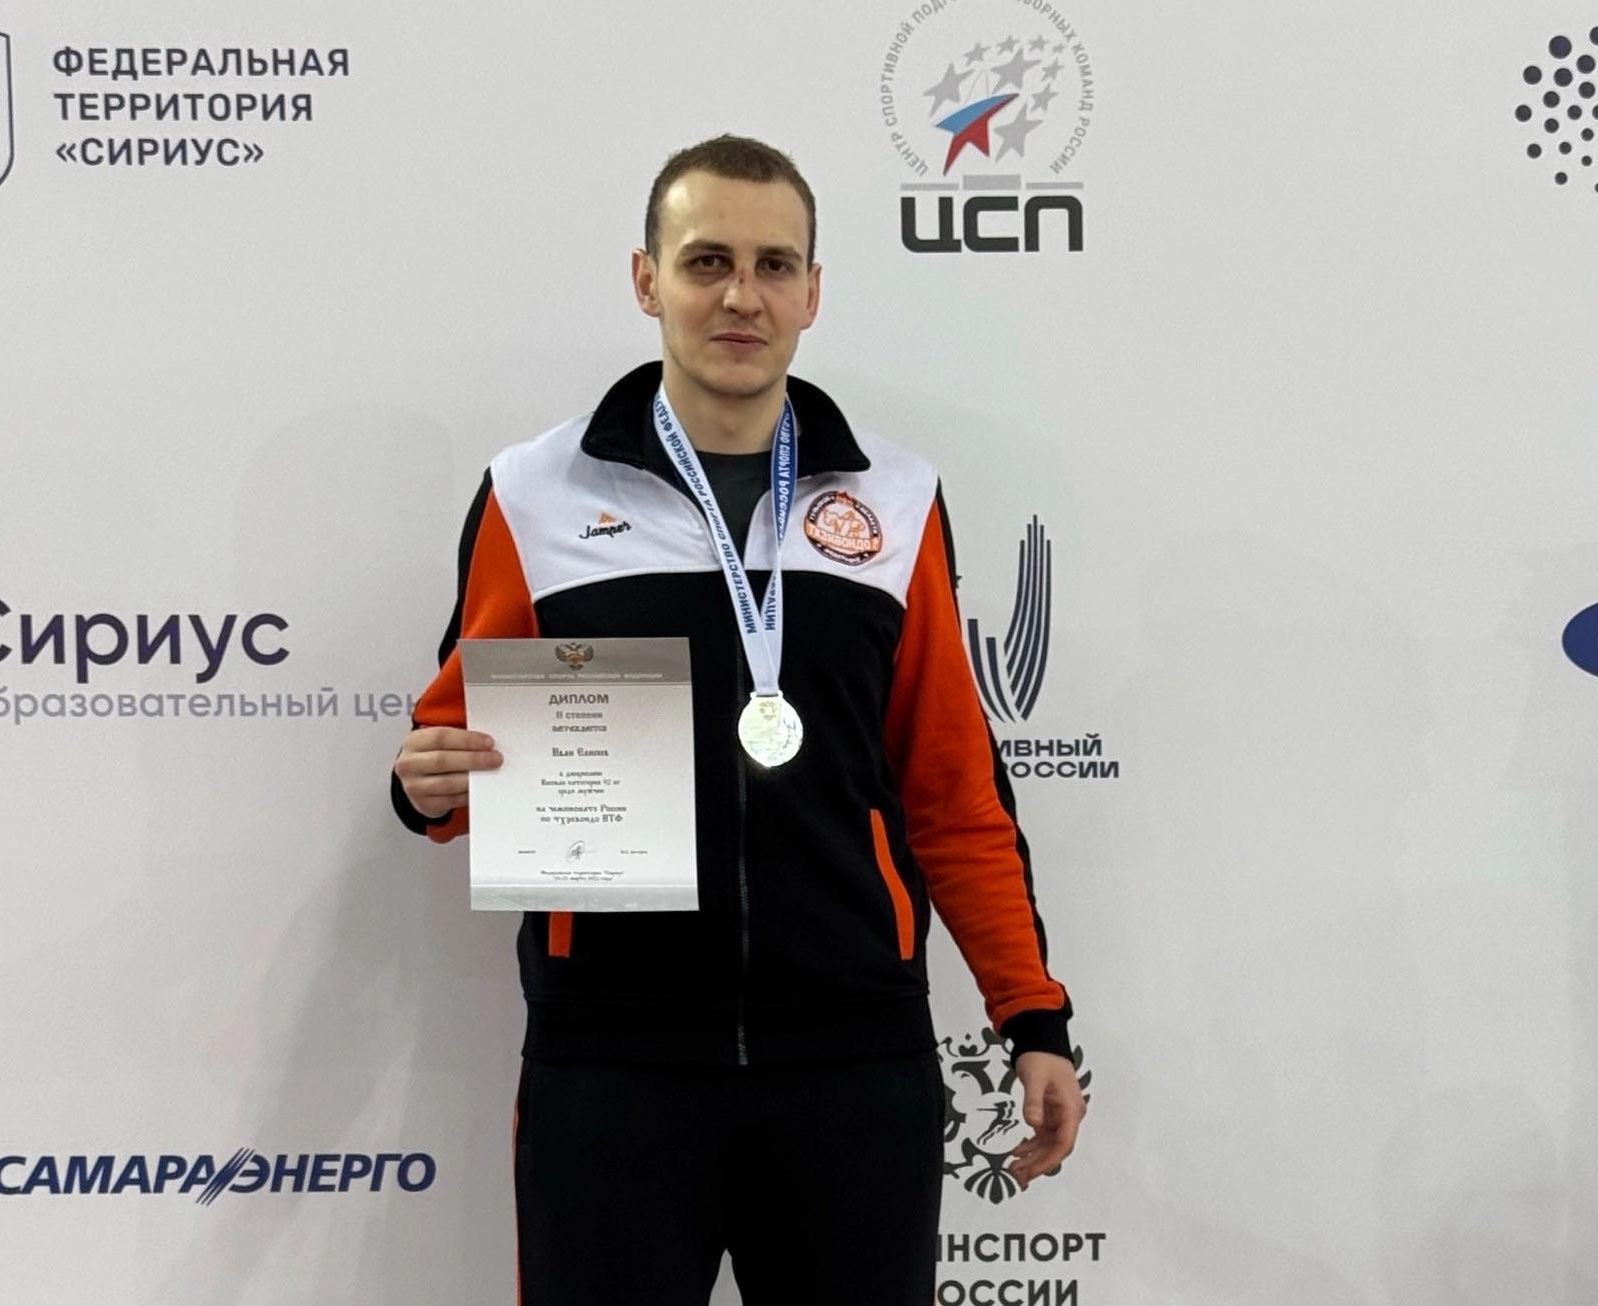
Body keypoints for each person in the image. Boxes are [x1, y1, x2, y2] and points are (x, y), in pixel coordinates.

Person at [391, 134, 1084, 1305]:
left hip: (853, 1064)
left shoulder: (895, 501)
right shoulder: (535, 495)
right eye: (707, 260)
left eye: (773, 265)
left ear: (813, 292)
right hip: (613, 1068)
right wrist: (426, 784)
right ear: (646, 279)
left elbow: (951, 789)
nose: (741, 296)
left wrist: (1031, 1013)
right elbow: (456, 747)